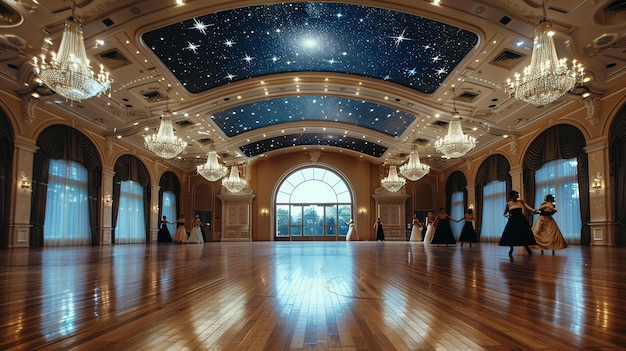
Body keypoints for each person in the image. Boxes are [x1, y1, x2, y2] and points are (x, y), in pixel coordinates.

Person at [499, 190, 537, 256]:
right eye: (515, 195)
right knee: (512, 234)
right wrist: (508, 215)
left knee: (524, 234)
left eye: (517, 195)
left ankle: (527, 248)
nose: (516, 196)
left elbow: (528, 207)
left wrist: (534, 211)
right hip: (513, 220)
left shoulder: (521, 201)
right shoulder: (509, 204)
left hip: (521, 220)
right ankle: (511, 248)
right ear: (512, 196)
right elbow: (504, 214)